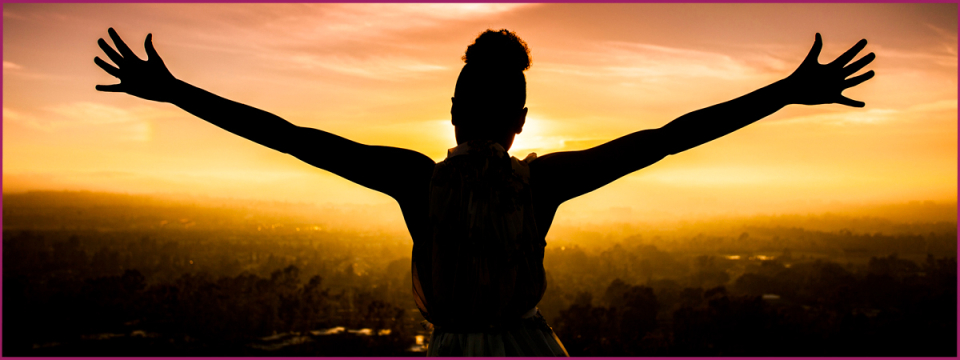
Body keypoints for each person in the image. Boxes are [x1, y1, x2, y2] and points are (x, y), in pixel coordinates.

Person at [94, 28, 874, 356]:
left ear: (456, 112)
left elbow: (289, 136)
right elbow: (670, 136)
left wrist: (177, 92)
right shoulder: (541, 184)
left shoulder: (419, 180)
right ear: (519, 121)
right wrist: (784, 92)